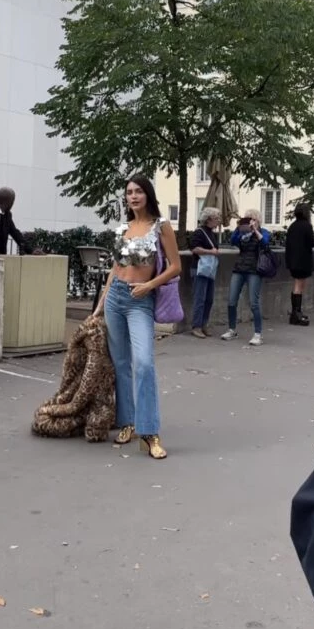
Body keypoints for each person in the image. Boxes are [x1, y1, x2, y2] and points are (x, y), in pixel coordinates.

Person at [94, 174, 181, 460]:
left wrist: (149, 286)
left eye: (139, 192)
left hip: (140, 300)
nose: (133, 197)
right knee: (121, 363)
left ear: (148, 195)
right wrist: (101, 301)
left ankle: (150, 432)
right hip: (116, 298)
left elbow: (176, 266)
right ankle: (128, 422)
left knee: (143, 363)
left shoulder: (161, 227)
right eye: (129, 192)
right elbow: (115, 269)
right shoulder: (124, 228)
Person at [221, 209, 271, 346]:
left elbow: (265, 243)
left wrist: (255, 230)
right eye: (247, 219)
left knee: (254, 302)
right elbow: (232, 241)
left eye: (251, 219)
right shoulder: (242, 234)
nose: (249, 222)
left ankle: (258, 333)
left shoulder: (263, 232)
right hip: (239, 268)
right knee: (231, 300)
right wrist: (238, 228)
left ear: (257, 220)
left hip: (254, 270)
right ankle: (232, 329)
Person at [189, 207, 221, 339]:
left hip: (209, 269)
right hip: (199, 268)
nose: (218, 220)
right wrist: (210, 252)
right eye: (216, 218)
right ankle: (196, 326)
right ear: (209, 219)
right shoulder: (199, 232)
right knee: (200, 298)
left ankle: (203, 324)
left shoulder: (210, 232)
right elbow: (194, 248)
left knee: (209, 299)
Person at [285, 203, 314, 326]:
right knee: (299, 285)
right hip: (303, 260)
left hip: (293, 260)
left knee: (298, 284)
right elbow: (310, 243)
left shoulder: (292, 226)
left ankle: (296, 312)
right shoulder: (307, 226)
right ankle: (296, 314)